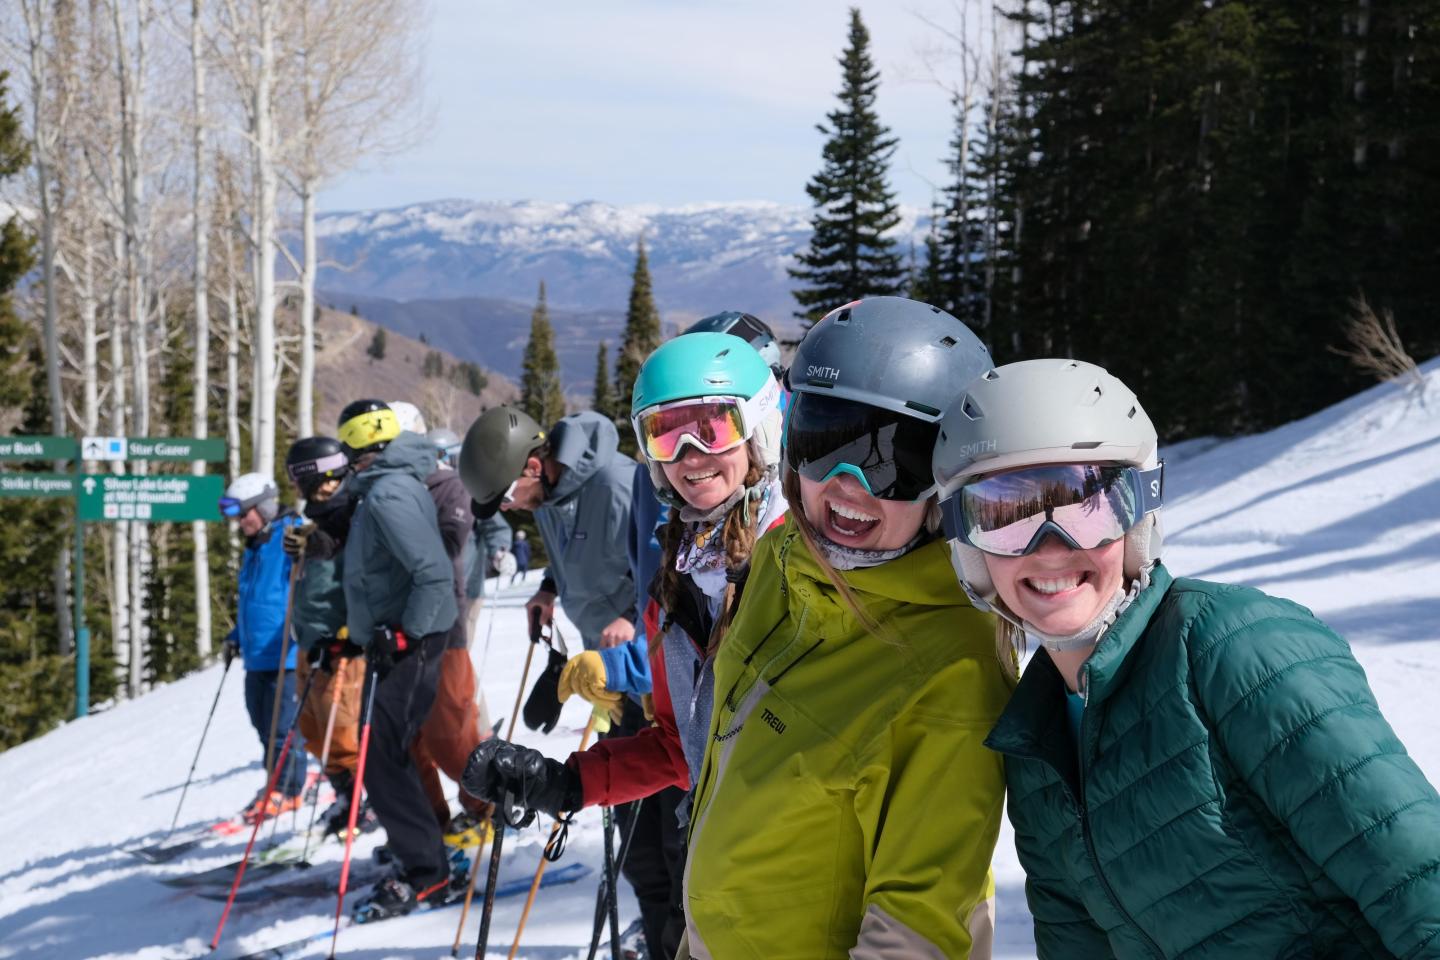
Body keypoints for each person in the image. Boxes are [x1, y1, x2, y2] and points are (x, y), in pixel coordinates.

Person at [932, 358, 1440, 958]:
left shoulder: (1236, 649)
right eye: (1005, 516)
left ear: (1139, 516)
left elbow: (1419, 885)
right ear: (968, 547)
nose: (1049, 548)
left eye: (1084, 504)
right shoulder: (1035, 744)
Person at [680, 296, 1010, 959]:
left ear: (947, 479)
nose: (849, 485)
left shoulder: (955, 671)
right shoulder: (781, 560)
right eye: (826, 442)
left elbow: (919, 930)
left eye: (895, 459)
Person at [463, 331, 789, 958]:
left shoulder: (798, 569)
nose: (691, 455)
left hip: (793, 880)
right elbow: (679, 747)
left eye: (713, 429)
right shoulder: (679, 579)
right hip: (720, 871)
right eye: (668, 435)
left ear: (760, 430)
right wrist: (565, 784)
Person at [337, 399, 463, 919]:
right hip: (398, 640)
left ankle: (428, 873)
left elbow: (432, 571)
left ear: (360, 450)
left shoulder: (388, 492)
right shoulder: (389, 486)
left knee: (381, 756)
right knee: (388, 752)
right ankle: (422, 850)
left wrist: (404, 633)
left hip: (412, 643)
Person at [282, 436, 375, 837]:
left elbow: (361, 574)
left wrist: (349, 630)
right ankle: (344, 798)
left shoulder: (353, 514)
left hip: (340, 647)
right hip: (310, 640)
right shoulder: (317, 517)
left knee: (342, 733)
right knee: (314, 733)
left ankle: (365, 803)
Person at [219, 473, 309, 823]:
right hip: (257, 654)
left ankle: (289, 790)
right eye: (238, 517)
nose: (242, 523)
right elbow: (255, 601)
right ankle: (276, 782)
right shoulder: (255, 546)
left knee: (283, 728)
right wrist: (236, 636)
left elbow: (304, 587)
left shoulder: (291, 535)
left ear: (265, 506)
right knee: (262, 724)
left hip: (285, 650)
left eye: (246, 514)